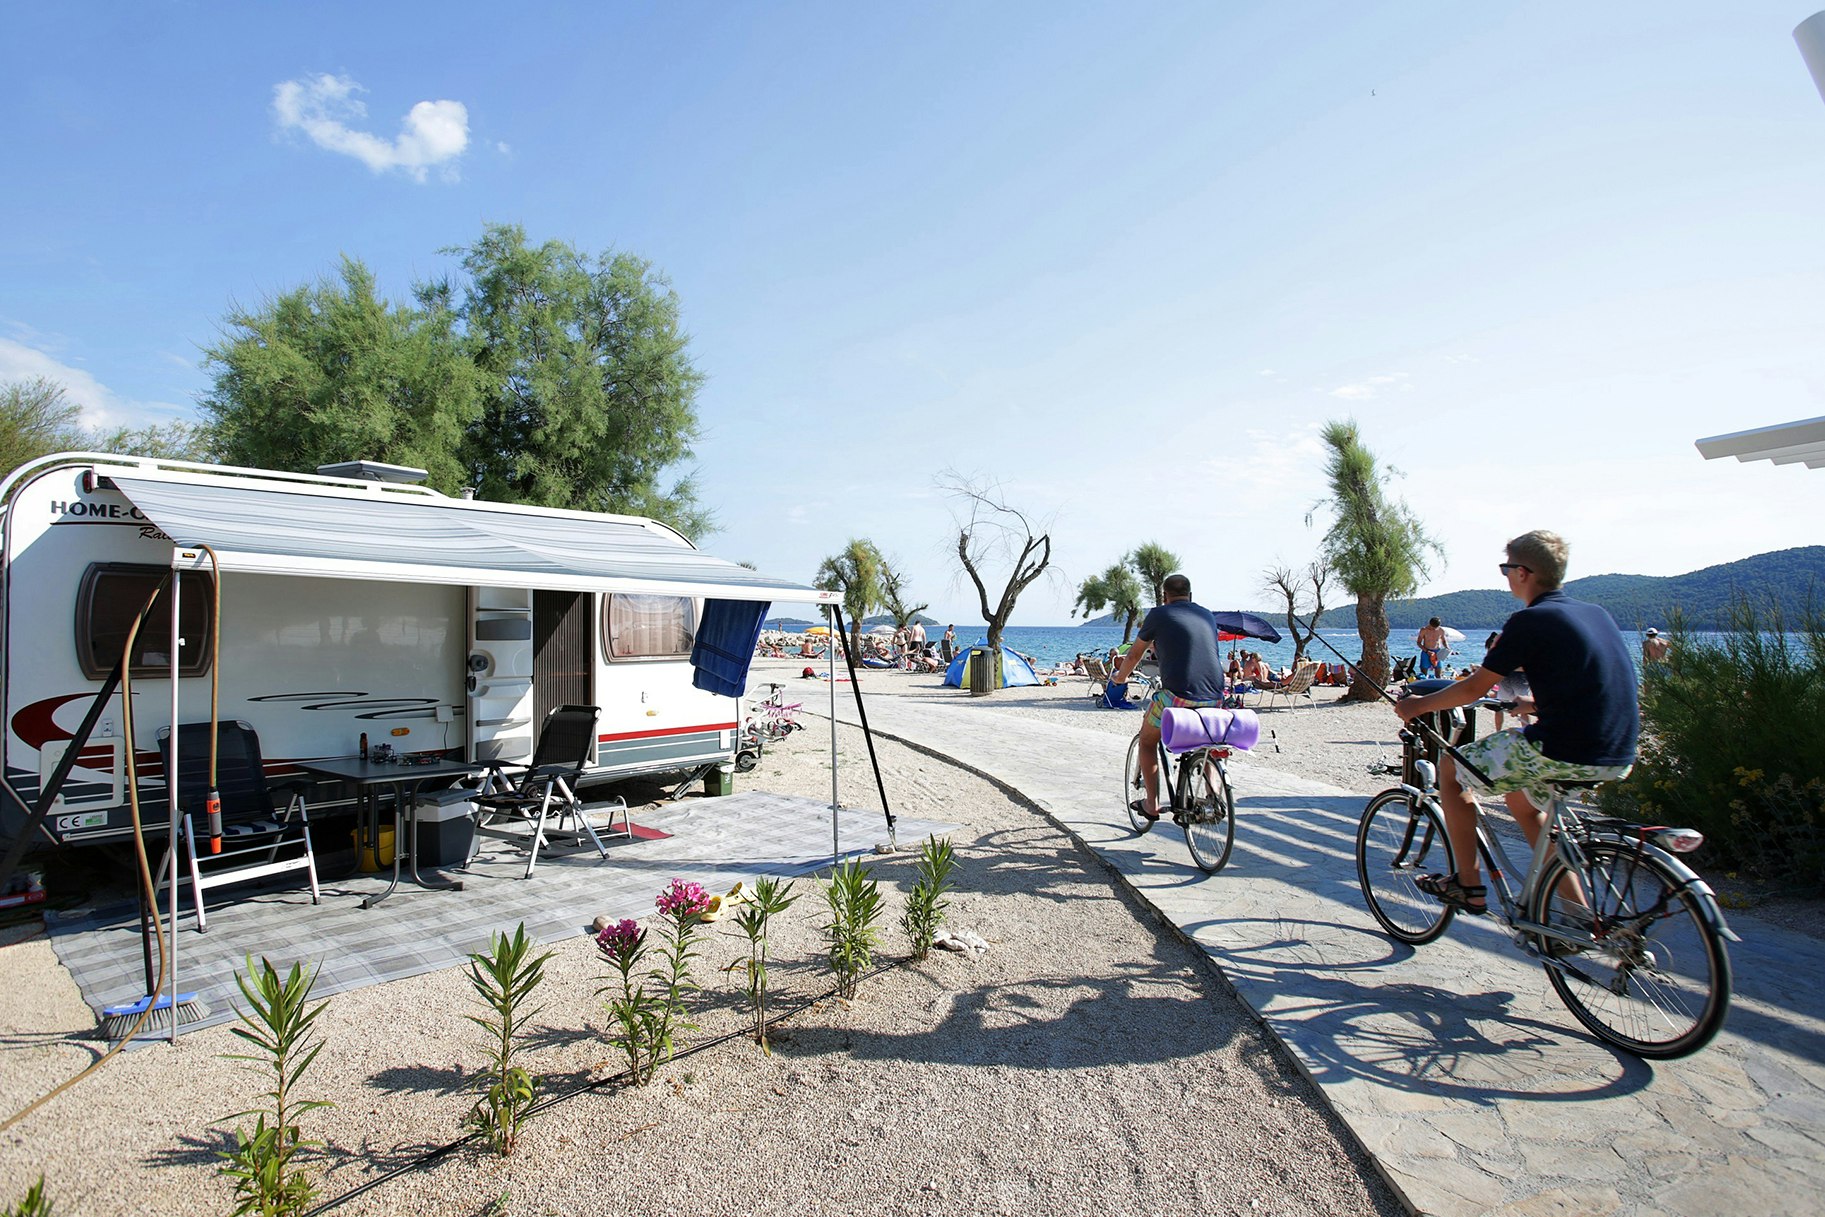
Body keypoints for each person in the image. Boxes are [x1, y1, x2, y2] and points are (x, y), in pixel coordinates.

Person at [1392, 531, 1638, 915]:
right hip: (1618, 750)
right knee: (1520, 800)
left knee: (1452, 769)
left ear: (1523, 573)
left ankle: (1466, 883)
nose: (1505, 575)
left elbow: (1473, 688)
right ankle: (1577, 915)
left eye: (1506, 567)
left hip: (1563, 749)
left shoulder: (1529, 620)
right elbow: (1597, 686)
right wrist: (1535, 703)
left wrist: (1417, 706)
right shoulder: (1596, 614)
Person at [1109, 573, 1228, 826]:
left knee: (1148, 740)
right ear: (1191, 595)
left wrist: (1119, 679)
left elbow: (1133, 656)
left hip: (1177, 696)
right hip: (1216, 695)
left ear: (1164, 597)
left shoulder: (1159, 615)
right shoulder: (1207, 614)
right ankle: (1214, 797)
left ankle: (1151, 804)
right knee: (1207, 745)